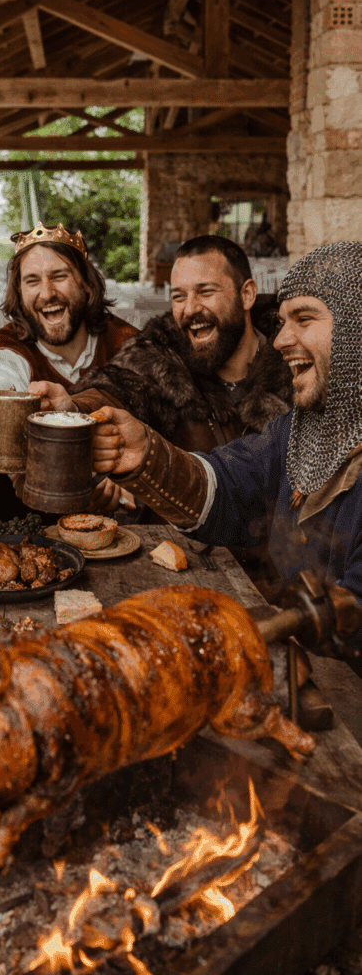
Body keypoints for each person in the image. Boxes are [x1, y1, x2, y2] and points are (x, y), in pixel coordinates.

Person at [90, 242, 362, 666]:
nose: (282, 340)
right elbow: (230, 485)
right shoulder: (300, 430)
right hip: (304, 670)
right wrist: (146, 456)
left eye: (305, 319)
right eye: (283, 322)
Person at [31, 236, 292, 590]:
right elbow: (115, 390)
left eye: (205, 291)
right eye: (179, 296)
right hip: (179, 575)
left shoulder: (296, 368)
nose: (190, 309)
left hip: (278, 580)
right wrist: (73, 408)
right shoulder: (159, 357)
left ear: (246, 294)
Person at [0, 221, 136, 391]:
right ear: (19, 292)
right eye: (33, 281)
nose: (47, 294)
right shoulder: (5, 350)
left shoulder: (127, 344)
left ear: (87, 282)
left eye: (59, 277)